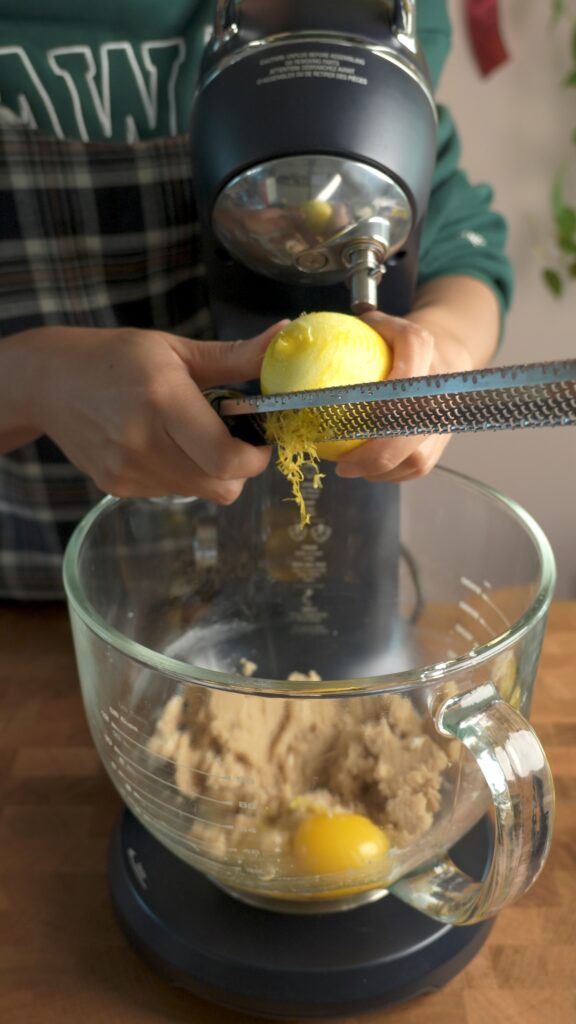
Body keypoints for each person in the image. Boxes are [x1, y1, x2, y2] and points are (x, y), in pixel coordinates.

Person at [0, 0, 513, 600]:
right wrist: (34, 382)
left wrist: (444, 348)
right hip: (36, 592)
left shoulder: (386, 16)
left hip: (316, 580)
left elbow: (458, 240)